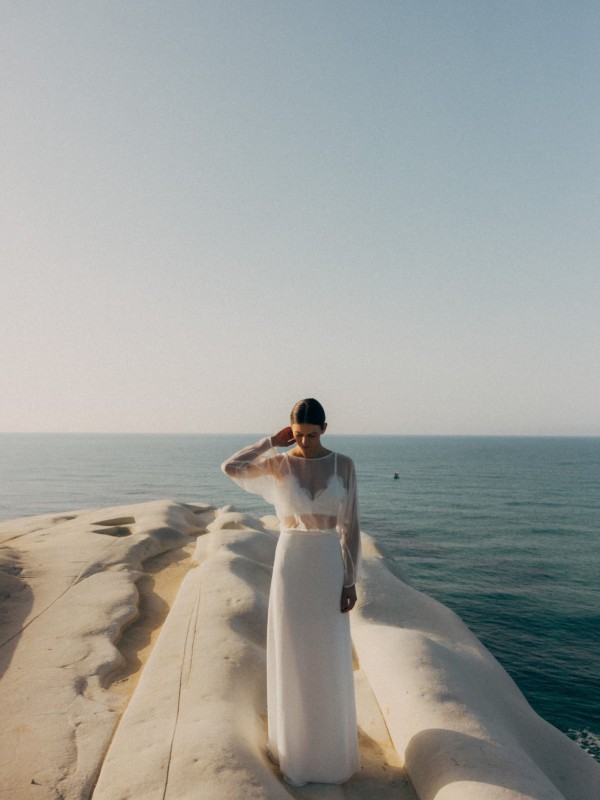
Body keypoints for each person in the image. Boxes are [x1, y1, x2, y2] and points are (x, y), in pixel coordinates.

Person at [221, 398, 361, 786]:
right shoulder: (279, 463)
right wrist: (271, 441)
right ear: (289, 429)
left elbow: (350, 525)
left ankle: (330, 754)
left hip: (327, 564)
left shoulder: (342, 465)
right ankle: (295, 753)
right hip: (291, 564)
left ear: (325, 429)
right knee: (293, 650)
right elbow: (231, 468)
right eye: (297, 434)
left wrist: (350, 579)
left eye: (311, 435)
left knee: (328, 652)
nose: (305, 441)